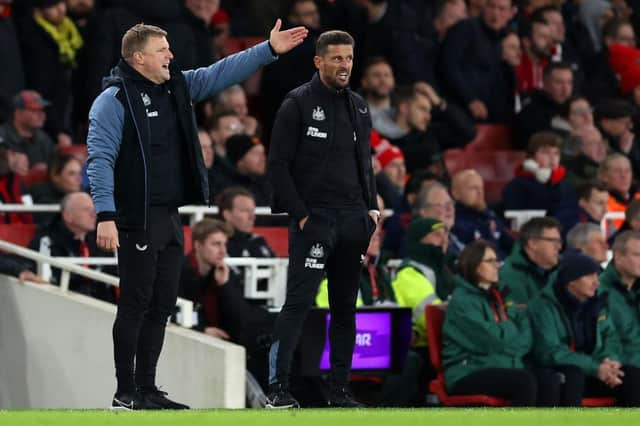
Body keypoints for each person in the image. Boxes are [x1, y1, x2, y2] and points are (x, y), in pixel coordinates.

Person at [86, 21, 308, 410]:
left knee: (162, 304)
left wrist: (267, 49)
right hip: (136, 215)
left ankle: (148, 388)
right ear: (138, 58)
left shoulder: (178, 86)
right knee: (135, 302)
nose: (170, 56)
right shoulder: (113, 101)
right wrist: (105, 213)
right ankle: (125, 392)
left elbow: (221, 72)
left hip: (172, 215)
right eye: (162, 50)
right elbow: (100, 159)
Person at [267, 30, 378, 409]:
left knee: (346, 307)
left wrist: (372, 208)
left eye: (348, 58)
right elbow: (278, 166)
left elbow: (365, 163)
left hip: (353, 220)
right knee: (297, 304)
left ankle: (340, 390)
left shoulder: (360, 106)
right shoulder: (296, 103)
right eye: (336, 58)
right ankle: (278, 390)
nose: (344, 65)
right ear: (318, 61)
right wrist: (300, 216)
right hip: (315, 220)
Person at [528, 251, 640, 406]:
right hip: (561, 371)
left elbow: (610, 337)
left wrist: (610, 362)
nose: (597, 282)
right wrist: (595, 368)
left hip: (596, 369)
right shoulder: (543, 306)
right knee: (573, 375)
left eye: (596, 275)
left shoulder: (597, 303)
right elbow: (549, 351)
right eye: (590, 276)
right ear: (571, 281)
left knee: (632, 376)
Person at [442, 240, 542, 406]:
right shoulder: (462, 302)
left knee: (549, 379)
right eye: (490, 261)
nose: (497, 266)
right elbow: (490, 341)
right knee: (524, 381)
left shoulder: (498, 296)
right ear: (474, 265)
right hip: (467, 371)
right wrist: (513, 326)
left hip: (501, 363)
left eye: (497, 260)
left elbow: (526, 338)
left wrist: (508, 334)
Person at [499, 217, 561, 304]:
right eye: (553, 241)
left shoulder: (560, 269)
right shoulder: (510, 278)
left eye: (559, 241)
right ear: (533, 244)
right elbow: (518, 315)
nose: (559, 247)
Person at [217, 186, 275, 258]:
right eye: (245, 210)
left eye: (252, 211)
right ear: (227, 215)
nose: (252, 217)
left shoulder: (258, 242)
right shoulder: (216, 244)